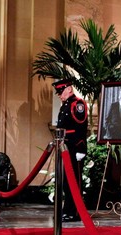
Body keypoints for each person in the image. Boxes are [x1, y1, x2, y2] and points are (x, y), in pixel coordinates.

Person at [52, 78, 88, 222]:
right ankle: (67, 209)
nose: (59, 95)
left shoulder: (77, 104)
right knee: (67, 182)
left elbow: (80, 128)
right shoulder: (66, 104)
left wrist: (80, 148)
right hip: (65, 147)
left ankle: (75, 212)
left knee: (75, 181)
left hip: (74, 148)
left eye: (61, 91)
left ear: (69, 89)